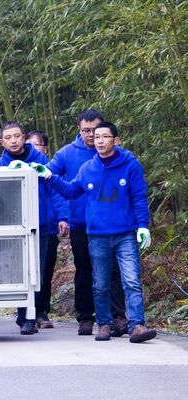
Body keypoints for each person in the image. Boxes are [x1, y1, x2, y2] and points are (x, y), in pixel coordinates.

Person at [42, 121, 156, 343]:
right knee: (100, 282)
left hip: (125, 234)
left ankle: (137, 325)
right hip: (97, 235)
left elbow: (140, 197)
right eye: (96, 136)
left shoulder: (130, 165)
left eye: (105, 136)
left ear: (116, 140)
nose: (100, 140)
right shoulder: (88, 168)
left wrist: (143, 225)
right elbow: (70, 191)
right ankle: (104, 324)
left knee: (131, 280)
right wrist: (49, 176)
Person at [46, 109, 127, 336]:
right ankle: (85, 316)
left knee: (113, 271)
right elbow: (50, 178)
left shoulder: (118, 155)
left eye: (96, 131)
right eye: (86, 131)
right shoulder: (66, 154)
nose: (92, 136)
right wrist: (62, 213)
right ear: (79, 130)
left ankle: (118, 316)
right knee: (85, 269)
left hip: (112, 225)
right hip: (81, 223)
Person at [0, 122, 65, 335]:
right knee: (18, 272)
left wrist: (63, 216)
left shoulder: (41, 161)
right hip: (12, 226)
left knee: (38, 273)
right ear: (2, 142)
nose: (13, 140)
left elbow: (56, 190)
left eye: (17, 136)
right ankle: (25, 317)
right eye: (8, 137)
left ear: (23, 137)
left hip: (39, 225)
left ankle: (30, 315)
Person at [26, 130, 69, 328]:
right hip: (25, 227)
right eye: (30, 145)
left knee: (44, 271)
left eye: (38, 145)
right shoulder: (18, 166)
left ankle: (42, 312)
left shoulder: (47, 169)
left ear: (45, 148)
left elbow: (57, 194)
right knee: (26, 271)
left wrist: (62, 217)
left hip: (47, 227)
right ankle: (27, 312)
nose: (34, 149)